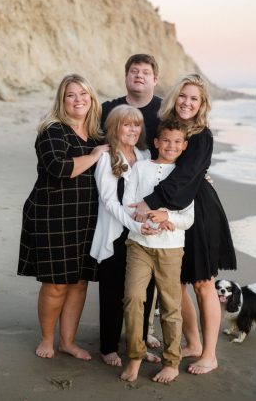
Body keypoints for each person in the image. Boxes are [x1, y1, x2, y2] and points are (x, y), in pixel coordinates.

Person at [131, 74, 237, 375]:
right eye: (183, 96)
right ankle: (191, 343)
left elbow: (185, 176)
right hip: (169, 207)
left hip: (199, 211)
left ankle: (210, 354)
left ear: (202, 105)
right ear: (174, 97)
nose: (187, 102)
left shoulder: (202, 135)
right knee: (175, 283)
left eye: (194, 99)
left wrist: (149, 202)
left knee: (204, 283)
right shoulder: (161, 126)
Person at [17, 74, 109, 360]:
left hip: (87, 216)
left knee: (79, 281)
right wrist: (94, 157)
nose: (78, 99)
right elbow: (58, 167)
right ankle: (47, 339)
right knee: (56, 282)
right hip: (51, 214)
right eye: (71, 95)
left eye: (83, 93)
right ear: (62, 100)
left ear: (92, 98)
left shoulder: (97, 134)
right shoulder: (52, 130)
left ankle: (68, 341)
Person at [120, 119, 195, 383]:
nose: (171, 146)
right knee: (133, 298)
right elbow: (128, 203)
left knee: (170, 306)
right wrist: (142, 224)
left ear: (185, 146)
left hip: (171, 249)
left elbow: (188, 218)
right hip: (139, 245)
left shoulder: (185, 176)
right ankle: (135, 356)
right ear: (156, 142)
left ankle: (171, 361)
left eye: (177, 142)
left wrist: (167, 217)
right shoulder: (141, 168)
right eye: (166, 140)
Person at [90, 105, 160, 367]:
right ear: (115, 127)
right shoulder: (107, 157)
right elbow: (109, 201)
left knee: (144, 291)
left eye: (137, 125)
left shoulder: (144, 155)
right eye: (126, 124)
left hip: (143, 234)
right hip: (116, 233)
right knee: (113, 292)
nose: (132, 130)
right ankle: (108, 347)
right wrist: (135, 224)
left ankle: (138, 345)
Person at [101, 53, 162, 348]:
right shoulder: (108, 110)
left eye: (145, 72)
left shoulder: (162, 114)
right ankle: (110, 344)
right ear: (126, 76)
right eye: (134, 71)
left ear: (155, 79)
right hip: (116, 223)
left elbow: (172, 156)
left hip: (144, 217)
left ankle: (140, 334)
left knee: (144, 285)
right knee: (113, 285)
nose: (139, 76)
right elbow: (110, 199)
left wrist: (201, 174)